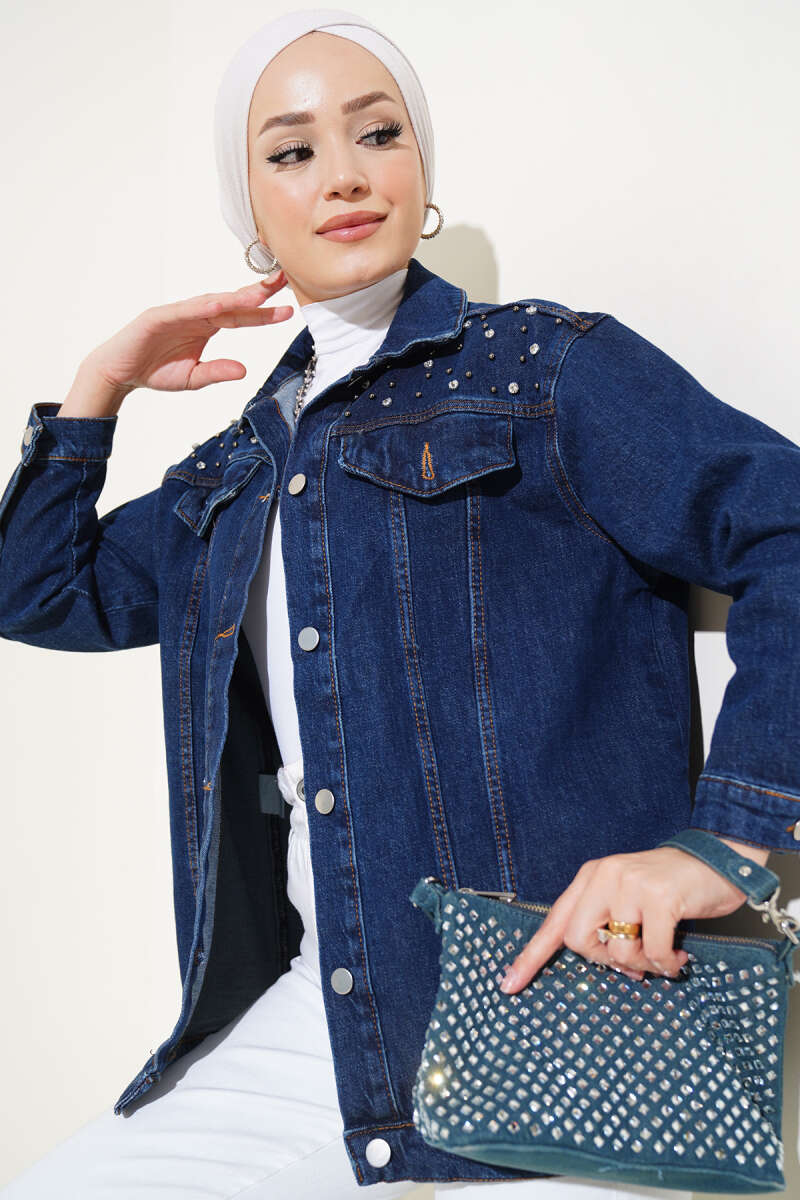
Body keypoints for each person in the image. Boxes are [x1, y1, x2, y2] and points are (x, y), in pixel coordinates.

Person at [1, 7, 798, 1199]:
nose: (343, 174)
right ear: (249, 208)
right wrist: (96, 389)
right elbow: (40, 593)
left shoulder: (543, 373)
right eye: (291, 151)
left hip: (572, 1018)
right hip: (326, 1031)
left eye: (376, 132)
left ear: (419, 169)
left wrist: (725, 843)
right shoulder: (235, 472)